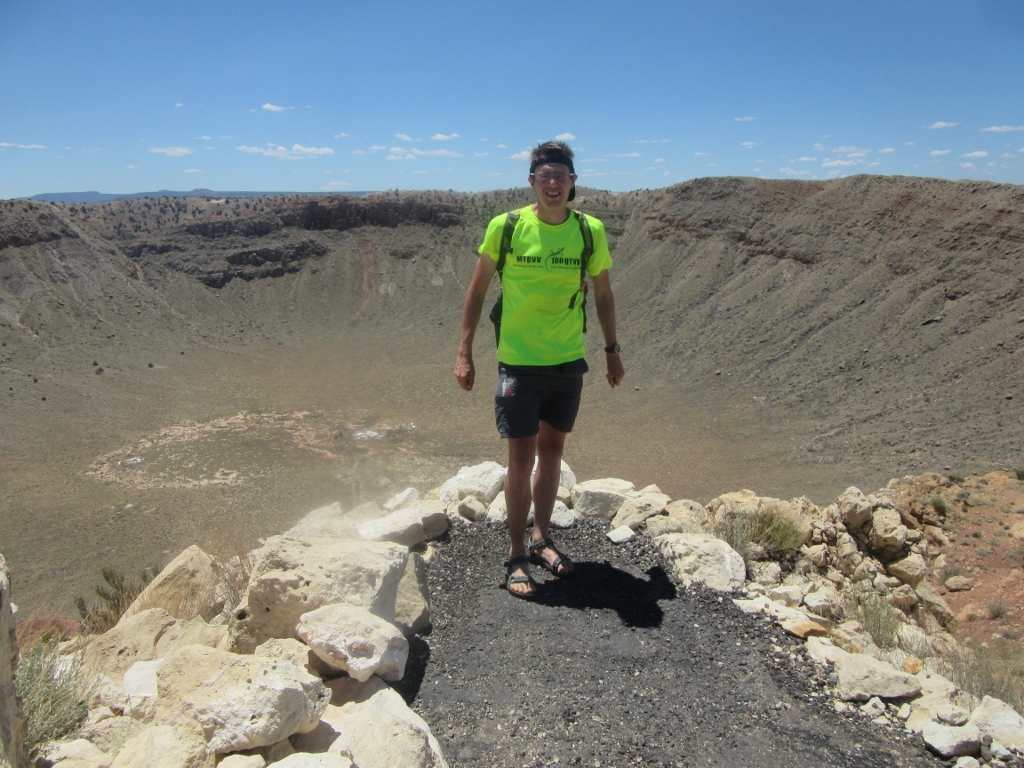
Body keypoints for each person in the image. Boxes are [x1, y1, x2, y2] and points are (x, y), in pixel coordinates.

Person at [454, 140, 625, 599]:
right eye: (544, 175)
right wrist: (464, 351)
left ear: (573, 182)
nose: (553, 183)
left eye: (560, 176)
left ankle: (541, 539)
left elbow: (603, 293)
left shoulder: (589, 230)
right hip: (519, 362)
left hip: (568, 361)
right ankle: (516, 555)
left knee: (552, 454)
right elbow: (477, 289)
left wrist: (611, 349)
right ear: (532, 181)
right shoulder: (506, 227)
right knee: (520, 459)